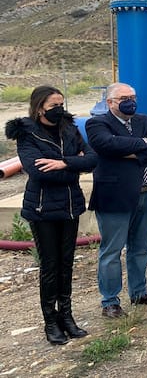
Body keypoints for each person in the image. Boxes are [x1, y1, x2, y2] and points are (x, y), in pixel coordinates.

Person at [5, 86, 97, 345]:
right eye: (53, 105)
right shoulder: (26, 133)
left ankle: (67, 317)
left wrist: (64, 162)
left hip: (70, 206)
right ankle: (51, 322)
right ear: (39, 108)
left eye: (61, 104)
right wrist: (74, 164)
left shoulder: (69, 128)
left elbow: (92, 159)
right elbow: (38, 171)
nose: (59, 109)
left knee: (66, 264)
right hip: (42, 208)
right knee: (50, 266)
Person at [85, 82, 147, 318]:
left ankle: (139, 292)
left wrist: (130, 151)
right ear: (110, 102)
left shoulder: (146, 121)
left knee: (141, 248)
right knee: (112, 251)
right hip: (115, 196)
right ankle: (110, 301)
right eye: (124, 98)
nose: (130, 102)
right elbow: (107, 145)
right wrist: (143, 144)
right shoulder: (97, 123)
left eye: (132, 97)